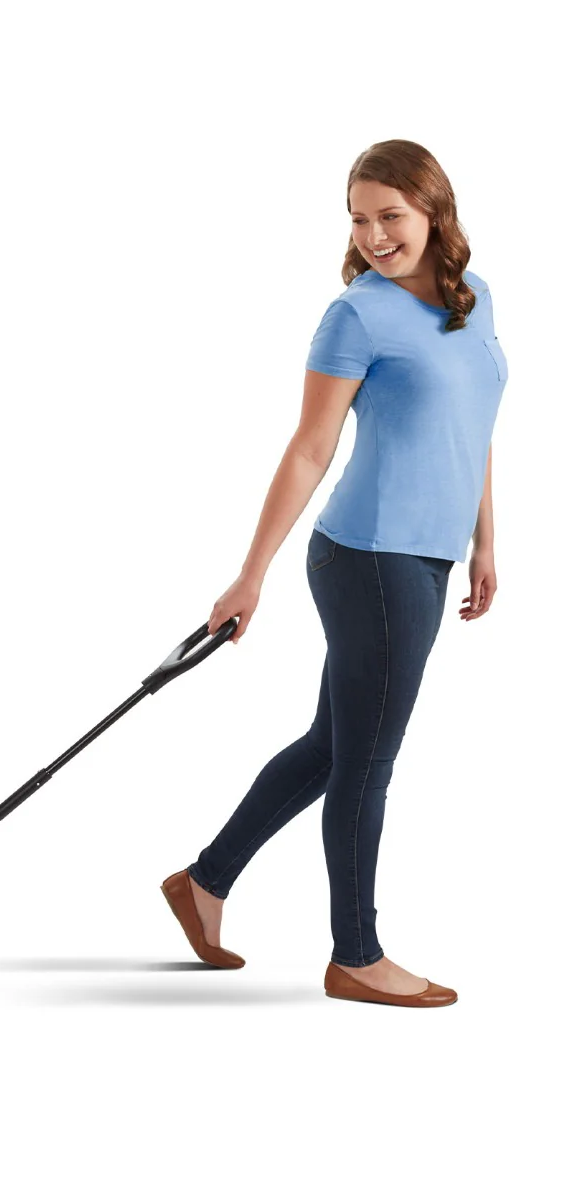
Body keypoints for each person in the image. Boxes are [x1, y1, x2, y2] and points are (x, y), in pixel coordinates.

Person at [160, 139, 507, 1007]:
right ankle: (356, 954)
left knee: (334, 745)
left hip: (427, 557)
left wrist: (485, 541)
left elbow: (473, 427)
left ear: (434, 211)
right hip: (369, 557)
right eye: (360, 219)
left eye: (391, 216)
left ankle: (204, 883)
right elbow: (310, 448)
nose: (375, 235)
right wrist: (251, 575)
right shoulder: (356, 316)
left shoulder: (472, 298)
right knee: (367, 762)